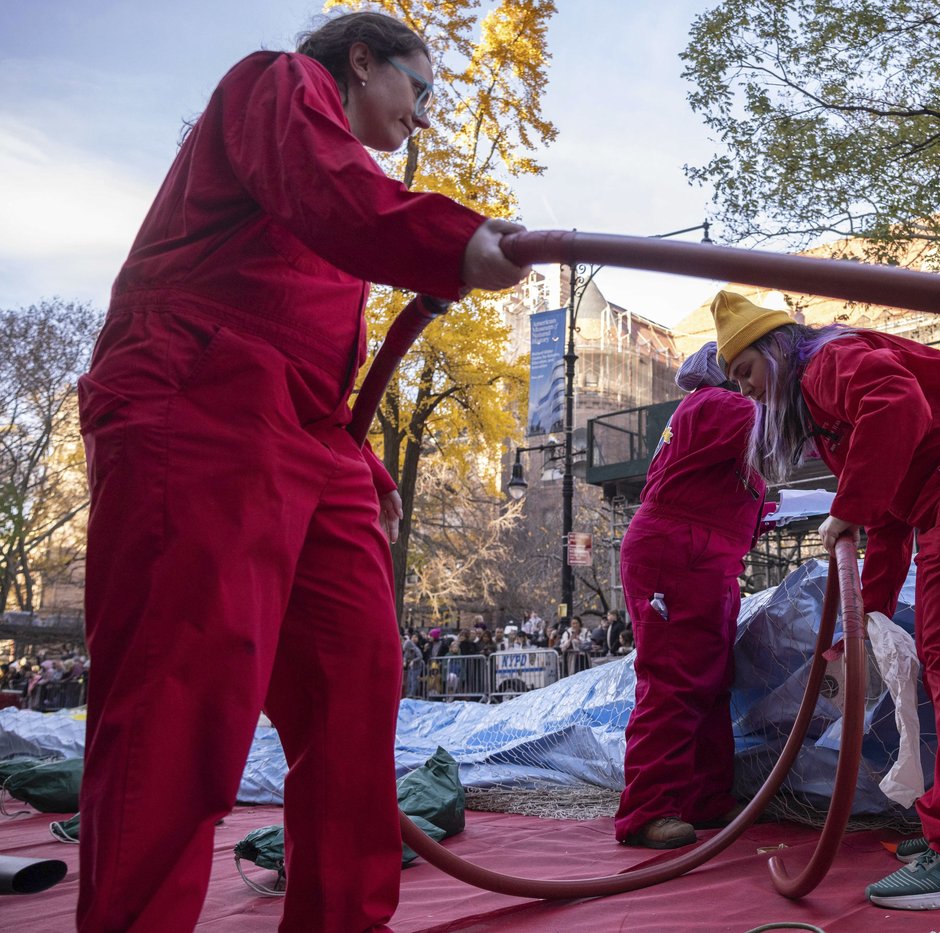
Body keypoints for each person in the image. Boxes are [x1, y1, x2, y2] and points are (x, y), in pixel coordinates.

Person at [75, 12, 528, 932]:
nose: (426, 116)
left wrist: (360, 459)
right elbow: (324, 202)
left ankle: (343, 918)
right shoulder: (275, 86)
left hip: (306, 435)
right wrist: (453, 240)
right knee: (182, 690)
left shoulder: (341, 190)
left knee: (355, 676)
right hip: (197, 395)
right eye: (421, 88)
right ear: (360, 62)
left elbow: (313, 353)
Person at [710, 291, 940, 911]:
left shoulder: (828, 362)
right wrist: (860, 619)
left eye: (746, 373)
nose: (748, 393)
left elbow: (896, 408)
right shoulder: (828, 393)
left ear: (775, 347)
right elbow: (892, 519)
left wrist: (848, 508)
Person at [614, 342, 767, 850]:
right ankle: (647, 809)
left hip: (698, 556)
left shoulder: (710, 412)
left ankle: (703, 796)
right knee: (676, 680)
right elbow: (786, 429)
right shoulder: (724, 405)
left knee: (707, 678)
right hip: (683, 556)